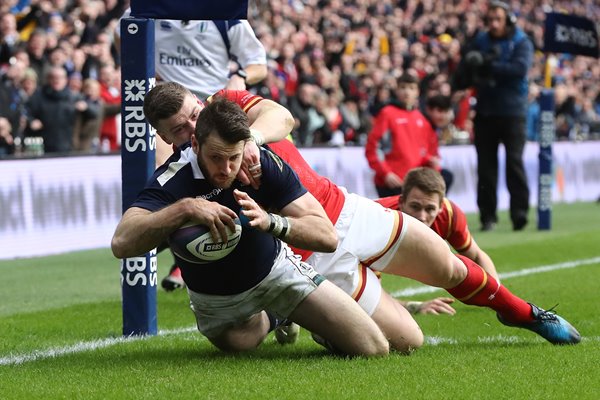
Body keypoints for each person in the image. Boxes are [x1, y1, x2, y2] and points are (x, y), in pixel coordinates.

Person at [145, 83, 581, 350]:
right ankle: (311, 321)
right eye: (180, 130)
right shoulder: (192, 172)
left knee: (446, 264)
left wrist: (252, 139)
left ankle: (523, 313)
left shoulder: (227, 107)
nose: (193, 127)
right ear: (166, 138)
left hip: (343, 207)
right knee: (410, 341)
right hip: (307, 254)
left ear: (201, 100)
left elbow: (283, 114)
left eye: (195, 113)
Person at [111, 98, 389, 357]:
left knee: (374, 347)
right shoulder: (172, 180)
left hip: (277, 273)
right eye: (216, 157)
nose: (226, 168)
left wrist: (271, 222)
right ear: (195, 145)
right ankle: (277, 317)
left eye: (233, 156)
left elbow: (327, 236)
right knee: (240, 345)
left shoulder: (262, 163)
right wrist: (186, 208)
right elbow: (122, 243)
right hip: (216, 300)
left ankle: (306, 318)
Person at [453, 1, 533, 231]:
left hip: (512, 112)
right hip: (486, 112)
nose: (494, 24)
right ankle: (488, 216)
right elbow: (468, 66)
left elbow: (519, 70)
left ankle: (519, 213)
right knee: (485, 168)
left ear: (508, 19)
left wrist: (488, 65)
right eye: (490, 20)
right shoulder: (481, 40)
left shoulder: (521, 41)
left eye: (498, 19)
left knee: (514, 164)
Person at [376, 167, 499, 281]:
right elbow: (363, 286)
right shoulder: (380, 219)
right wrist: (411, 305)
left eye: (429, 209)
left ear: (441, 207)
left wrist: (497, 296)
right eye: (415, 206)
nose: (422, 217)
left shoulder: (449, 215)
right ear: (402, 203)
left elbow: (477, 257)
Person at [365, 73, 441, 197]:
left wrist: (431, 161)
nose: (407, 92)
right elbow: (372, 147)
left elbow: (426, 151)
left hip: (414, 183)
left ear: (417, 92)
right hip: (391, 183)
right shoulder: (387, 114)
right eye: (403, 87)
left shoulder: (421, 119)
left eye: (411, 88)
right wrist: (386, 173)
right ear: (397, 90)